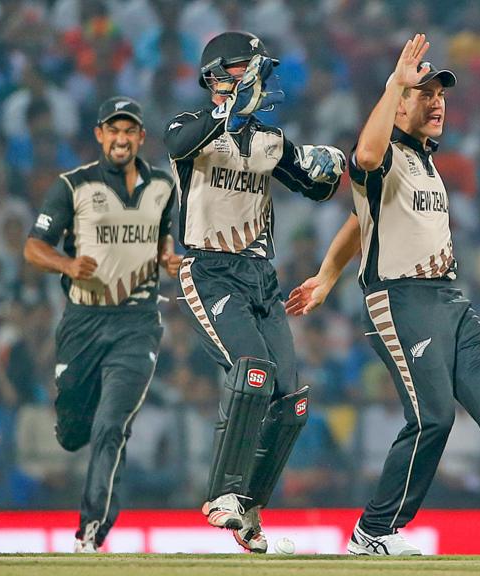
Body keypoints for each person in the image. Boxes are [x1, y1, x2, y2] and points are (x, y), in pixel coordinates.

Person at [286, 34, 480, 557]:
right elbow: (363, 154)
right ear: (399, 103)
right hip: (402, 299)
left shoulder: (423, 162)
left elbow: (356, 221)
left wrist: (325, 275)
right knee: (432, 417)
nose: (437, 102)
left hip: (450, 301)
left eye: (441, 95)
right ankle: (374, 531)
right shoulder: (383, 155)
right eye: (424, 93)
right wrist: (394, 83)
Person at [163, 31, 345, 553]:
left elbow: (312, 185)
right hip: (209, 270)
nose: (259, 77)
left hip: (261, 276)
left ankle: (249, 511)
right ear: (217, 75)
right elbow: (178, 144)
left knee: (292, 400)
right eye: (247, 67)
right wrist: (234, 108)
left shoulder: (270, 140)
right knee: (252, 370)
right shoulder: (189, 128)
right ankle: (222, 493)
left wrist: (333, 166)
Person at [23, 96, 179, 553]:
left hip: (137, 322)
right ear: (99, 134)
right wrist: (68, 266)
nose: (121, 138)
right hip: (83, 322)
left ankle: (92, 529)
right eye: (114, 129)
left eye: (129, 130)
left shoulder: (164, 187)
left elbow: (167, 238)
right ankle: (82, 437)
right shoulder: (72, 185)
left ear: (141, 137)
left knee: (113, 422)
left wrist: (169, 258)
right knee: (74, 433)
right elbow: (34, 247)